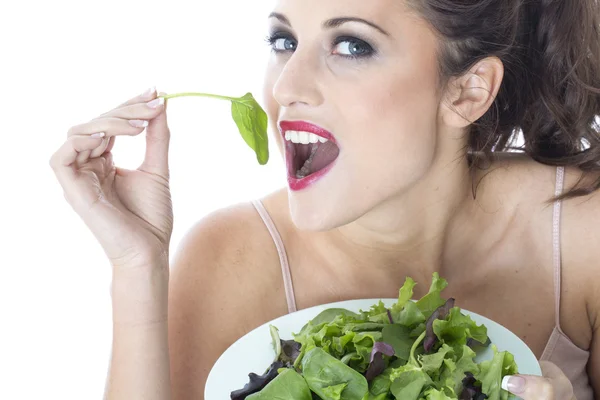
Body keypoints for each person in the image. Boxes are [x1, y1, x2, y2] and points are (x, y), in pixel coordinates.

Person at [50, 0, 599, 398]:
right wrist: (136, 267)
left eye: (351, 45)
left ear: (467, 90)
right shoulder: (231, 259)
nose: (287, 85)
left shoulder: (582, 233)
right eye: (284, 40)